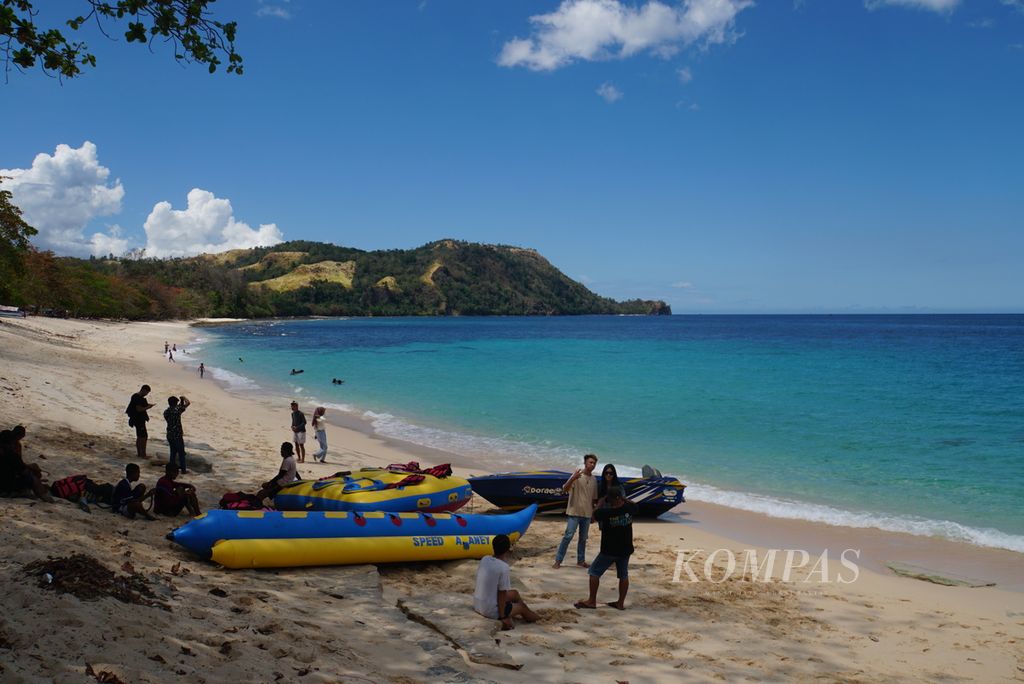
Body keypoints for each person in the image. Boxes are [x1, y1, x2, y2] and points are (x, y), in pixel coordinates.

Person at [574, 485, 638, 611]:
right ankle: (620, 603)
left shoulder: (606, 513)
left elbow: (593, 517)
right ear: (621, 497)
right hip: (625, 549)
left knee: (594, 572)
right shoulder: (629, 508)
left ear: (610, 499)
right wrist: (625, 499)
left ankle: (592, 601)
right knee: (623, 576)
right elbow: (635, 505)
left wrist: (600, 503)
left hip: (609, 550)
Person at [473, 534, 539, 630]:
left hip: (478, 603)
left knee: (515, 593)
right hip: (489, 610)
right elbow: (502, 594)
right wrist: (504, 616)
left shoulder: (485, 559)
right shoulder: (503, 567)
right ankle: (538, 619)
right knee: (522, 607)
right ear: (508, 550)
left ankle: (514, 610)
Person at [553, 453, 598, 569]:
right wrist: (573, 478)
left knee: (583, 538)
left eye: (594, 463)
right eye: (590, 462)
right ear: (585, 463)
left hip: (587, 514)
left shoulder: (594, 479)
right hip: (574, 512)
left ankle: (581, 560)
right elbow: (564, 489)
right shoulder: (577, 475)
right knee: (568, 536)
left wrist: (593, 514)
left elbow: (593, 499)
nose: (592, 465)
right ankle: (558, 560)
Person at [0, 427, 54, 502]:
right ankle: (43, 495)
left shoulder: (9, 449)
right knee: (31, 475)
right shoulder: (11, 454)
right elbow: (23, 470)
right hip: (5, 487)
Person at [126, 385, 155, 460]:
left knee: (140, 436)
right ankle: (143, 454)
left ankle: (140, 454)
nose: (146, 394)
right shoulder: (137, 397)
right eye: (146, 392)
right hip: (138, 419)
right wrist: (148, 407)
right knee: (143, 437)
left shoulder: (137, 397)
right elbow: (139, 409)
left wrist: (147, 406)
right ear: (143, 390)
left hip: (137, 419)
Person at [163, 395, 191, 472]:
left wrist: (181, 401)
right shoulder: (177, 411)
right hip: (177, 434)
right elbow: (188, 403)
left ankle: (172, 469)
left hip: (169, 434)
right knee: (181, 453)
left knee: (173, 453)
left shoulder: (166, 412)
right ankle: (183, 469)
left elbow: (179, 407)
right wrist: (184, 398)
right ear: (175, 403)